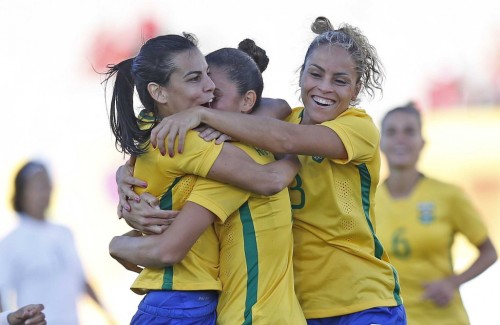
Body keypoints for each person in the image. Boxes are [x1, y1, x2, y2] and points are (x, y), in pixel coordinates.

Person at [130, 16, 406, 324]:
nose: (324, 88)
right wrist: (126, 183)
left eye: (340, 80)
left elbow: (284, 139)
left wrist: (199, 115)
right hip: (304, 308)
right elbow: (259, 111)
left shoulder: (357, 127)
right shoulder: (272, 126)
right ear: (301, 75)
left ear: (355, 90)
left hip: (363, 300)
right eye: (315, 74)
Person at [104, 34, 304, 324]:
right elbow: (269, 178)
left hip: (184, 301)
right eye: (196, 78)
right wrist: (293, 155)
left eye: (211, 82)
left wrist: (119, 242)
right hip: (182, 303)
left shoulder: (151, 123)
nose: (209, 88)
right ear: (159, 93)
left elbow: (277, 105)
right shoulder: (190, 141)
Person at [375, 102, 498, 325]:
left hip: (443, 318)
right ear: (380, 142)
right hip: (391, 319)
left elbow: (489, 252)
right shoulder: (367, 200)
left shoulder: (448, 196)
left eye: (409, 131)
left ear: (422, 142)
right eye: (392, 132)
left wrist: (453, 282)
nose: (400, 139)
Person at [0, 161, 106, 325]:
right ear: (21, 193)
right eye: (37, 186)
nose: (44, 192)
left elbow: (82, 280)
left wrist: (107, 315)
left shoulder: (64, 233)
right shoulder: (10, 243)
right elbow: (3, 292)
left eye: (47, 185)